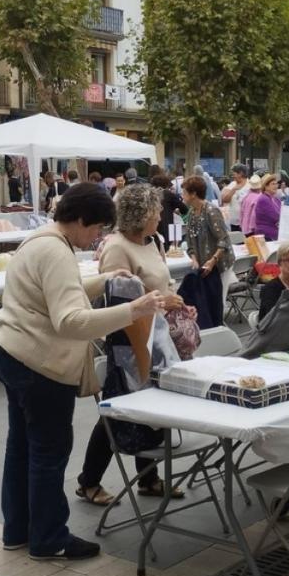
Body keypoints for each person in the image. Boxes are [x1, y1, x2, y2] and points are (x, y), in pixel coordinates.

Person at [0, 183, 162, 560]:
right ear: (81, 219)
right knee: (48, 452)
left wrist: (103, 280)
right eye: (97, 228)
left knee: (21, 447)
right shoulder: (56, 250)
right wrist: (135, 309)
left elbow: (58, 291)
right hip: (39, 362)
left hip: (10, 350)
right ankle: (49, 538)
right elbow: (70, 320)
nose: (97, 237)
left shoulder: (40, 241)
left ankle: (17, 530)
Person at [77, 185, 187, 507]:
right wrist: (161, 301)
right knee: (116, 413)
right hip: (128, 342)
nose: (160, 217)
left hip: (158, 336)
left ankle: (148, 478)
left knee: (155, 405)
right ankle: (89, 481)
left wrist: (175, 301)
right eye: (155, 213)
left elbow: (160, 284)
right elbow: (114, 297)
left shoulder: (152, 242)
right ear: (141, 215)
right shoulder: (117, 247)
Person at [180, 175, 234, 327]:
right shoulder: (191, 213)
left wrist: (213, 260)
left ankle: (219, 330)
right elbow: (190, 240)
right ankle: (211, 327)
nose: (182, 195)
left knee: (218, 300)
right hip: (204, 265)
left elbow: (223, 239)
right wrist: (194, 258)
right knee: (207, 299)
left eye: (184, 192)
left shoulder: (211, 211)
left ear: (193, 194)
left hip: (219, 263)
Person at [150, 173, 186, 244]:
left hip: (153, 227)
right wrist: (176, 209)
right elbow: (184, 209)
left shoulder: (149, 195)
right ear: (166, 184)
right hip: (168, 228)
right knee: (172, 249)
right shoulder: (168, 194)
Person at [251, 173, 283, 240]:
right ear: (266, 186)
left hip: (274, 234)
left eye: (276, 184)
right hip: (265, 235)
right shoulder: (263, 199)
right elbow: (276, 216)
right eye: (273, 184)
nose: (276, 186)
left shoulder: (276, 199)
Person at [220, 164, 251, 231]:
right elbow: (225, 200)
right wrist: (233, 190)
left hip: (246, 222)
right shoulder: (232, 184)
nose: (232, 175)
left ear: (240, 173)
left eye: (234, 173)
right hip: (232, 222)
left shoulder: (250, 185)